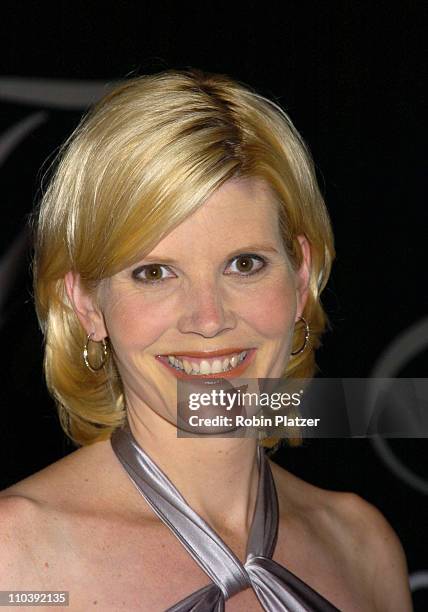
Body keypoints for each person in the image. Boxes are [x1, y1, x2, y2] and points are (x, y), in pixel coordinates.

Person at [0, 69, 412, 611]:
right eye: (154, 273)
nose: (209, 319)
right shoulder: (16, 556)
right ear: (86, 304)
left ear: (301, 276)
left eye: (245, 264)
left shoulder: (363, 546)